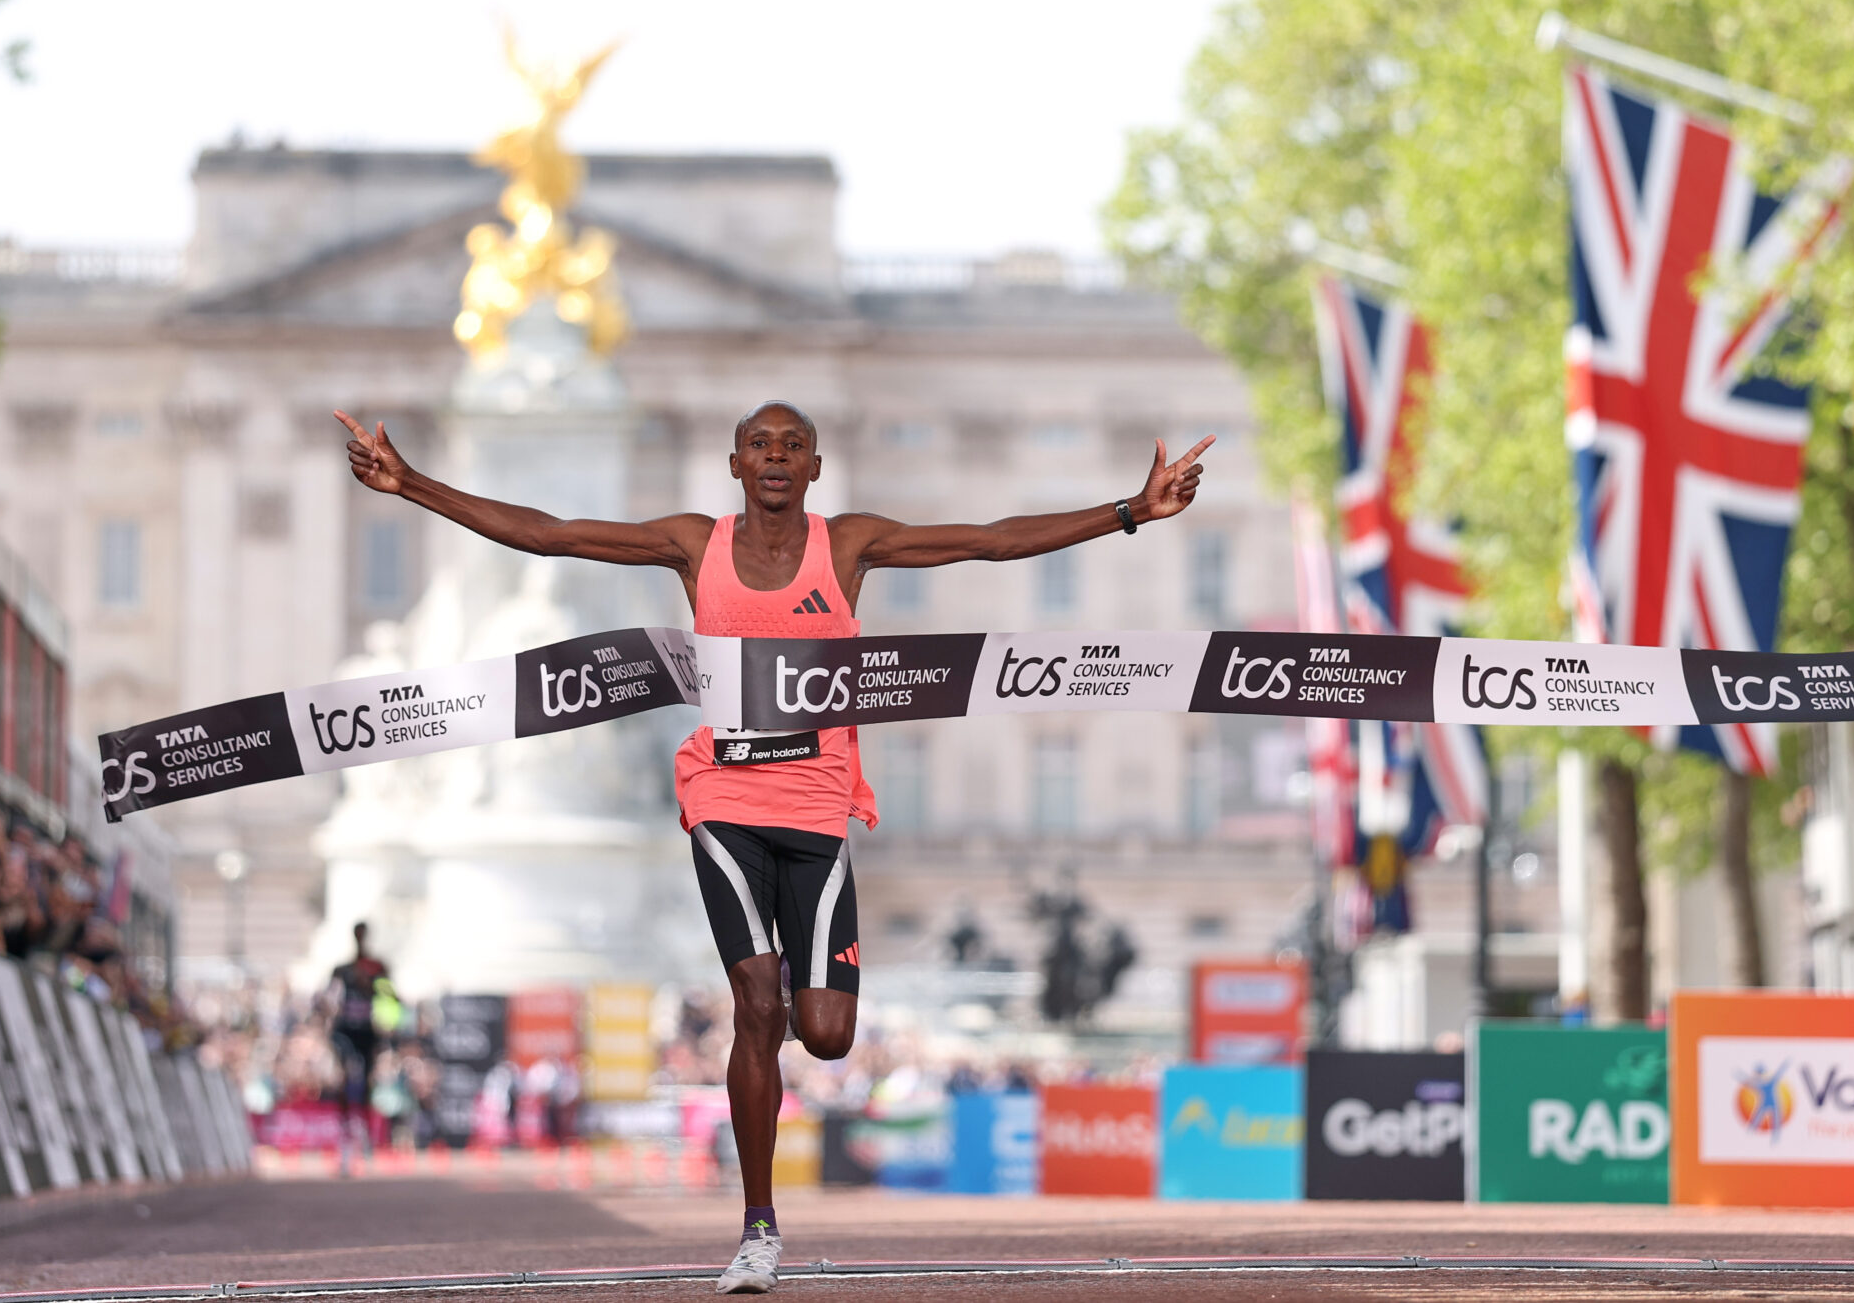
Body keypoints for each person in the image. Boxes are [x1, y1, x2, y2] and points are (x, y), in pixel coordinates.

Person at [336, 399, 1209, 1294]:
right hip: (722, 798)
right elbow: (552, 534)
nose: (777, 457)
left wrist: (1130, 510)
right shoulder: (691, 544)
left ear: (817, 468)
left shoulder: (852, 544)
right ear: (735, 463)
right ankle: (758, 1227)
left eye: (793, 445)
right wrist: (412, 486)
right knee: (757, 1003)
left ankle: (796, 1014)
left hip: (820, 807)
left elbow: (987, 539)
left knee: (824, 1035)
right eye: (761, 445)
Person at [325, 921, 396, 1174]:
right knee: (344, 1078)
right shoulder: (341, 969)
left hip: (366, 1031)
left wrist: (375, 987)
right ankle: (346, 1135)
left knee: (365, 1082)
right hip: (345, 1029)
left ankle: (363, 1133)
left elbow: (392, 996)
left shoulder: (377, 967)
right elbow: (328, 997)